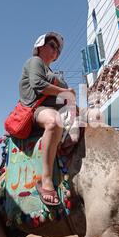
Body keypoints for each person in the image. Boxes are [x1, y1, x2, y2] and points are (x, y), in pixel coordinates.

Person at [19, 32, 75, 206]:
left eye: (58, 49)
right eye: (52, 45)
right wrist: (64, 92)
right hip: (35, 110)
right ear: (40, 46)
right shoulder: (34, 62)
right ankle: (46, 180)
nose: (56, 50)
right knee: (54, 121)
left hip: (59, 109)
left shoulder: (50, 71)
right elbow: (38, 84)